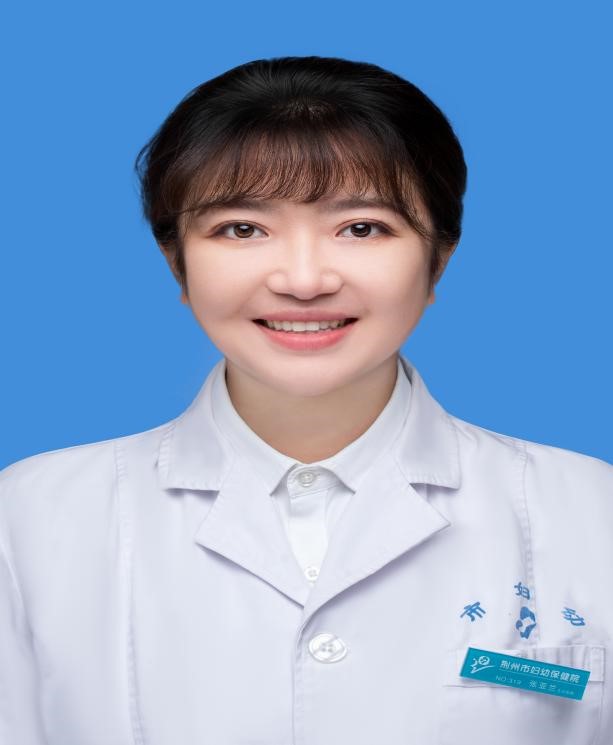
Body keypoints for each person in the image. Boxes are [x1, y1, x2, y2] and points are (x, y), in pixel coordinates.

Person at [0, 55, 611, 745]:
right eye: (241, 228)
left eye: (361, 227)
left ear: (438, 257)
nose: (303, 280)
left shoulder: (591, 511)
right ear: (177, 261)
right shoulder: (31, 517)